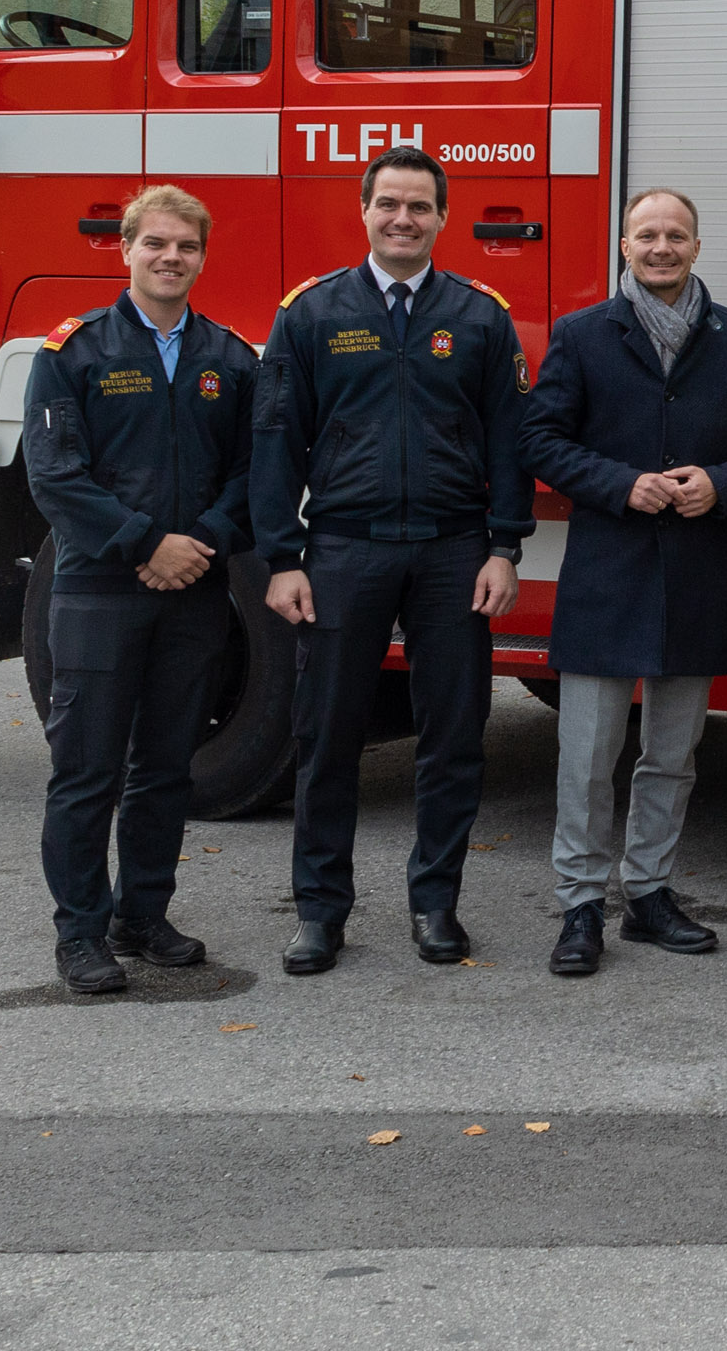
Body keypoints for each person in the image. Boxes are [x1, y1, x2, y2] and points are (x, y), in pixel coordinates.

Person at [256, 147, 534, 974]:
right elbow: (276, 441)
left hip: (454, 550)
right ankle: (319, 912)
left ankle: (435, 904)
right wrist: (281, 557)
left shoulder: (479, 316)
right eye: (389, 204)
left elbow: (510, 441)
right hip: (346, 548)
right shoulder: (311, 313)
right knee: (326, 735)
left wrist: (505, 545)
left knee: (453, 735)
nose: (402, 219)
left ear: (442, 217)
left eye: (418, 206)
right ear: (364, 211)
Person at [521, 187, 727, 978]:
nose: (661, 247)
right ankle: (579, 905)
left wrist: (723, 484)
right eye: (647, 235)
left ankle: (649, 894)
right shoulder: (581, 335)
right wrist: (620, 484)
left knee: (672, 753)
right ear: (624, 246)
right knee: (588, 756)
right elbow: (540, 437)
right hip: (607, 570)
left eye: (675, 234)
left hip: (696, 571)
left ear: (697, 245)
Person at [22, 185, 258, 994]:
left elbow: (252, 474)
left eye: (186, 246)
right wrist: (146, 544)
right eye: (155, 243)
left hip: (194, 592)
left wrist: (201, 544)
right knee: (86, 771)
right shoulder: (73, 352)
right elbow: (55, 477)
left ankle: (142, 915)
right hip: (98, 592)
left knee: (165, 768)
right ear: (125, 249)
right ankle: (81, 933)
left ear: (203, 256)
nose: (170, 257)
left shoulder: (229, 358)